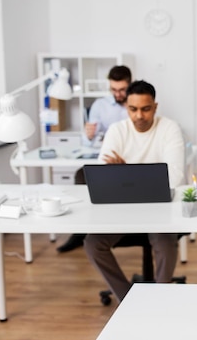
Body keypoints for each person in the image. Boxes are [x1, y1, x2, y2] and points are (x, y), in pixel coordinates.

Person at [83, 80, 185, 303]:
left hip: (160, 210)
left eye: (145, 109)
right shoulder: (117, 131)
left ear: (155, 107)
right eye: (133, 109)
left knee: (166, 244)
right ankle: (127, 299)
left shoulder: (169, 128)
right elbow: (102, 175)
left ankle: (160, 298)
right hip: (122, 210)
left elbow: (175, 177)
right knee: (92, 245)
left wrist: (125, 171)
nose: (139, 115)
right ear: (126, 108)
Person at [57, 65, 133, 253]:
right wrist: (88, 135)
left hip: (131, 160)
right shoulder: (100, 106)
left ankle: (120, 226)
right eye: (114, 89)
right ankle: (82, 230)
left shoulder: (136, 103)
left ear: (129, 85)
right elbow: (88, 143)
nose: (118, 94)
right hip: (107, 158)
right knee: (81, 176)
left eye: (122, 89)